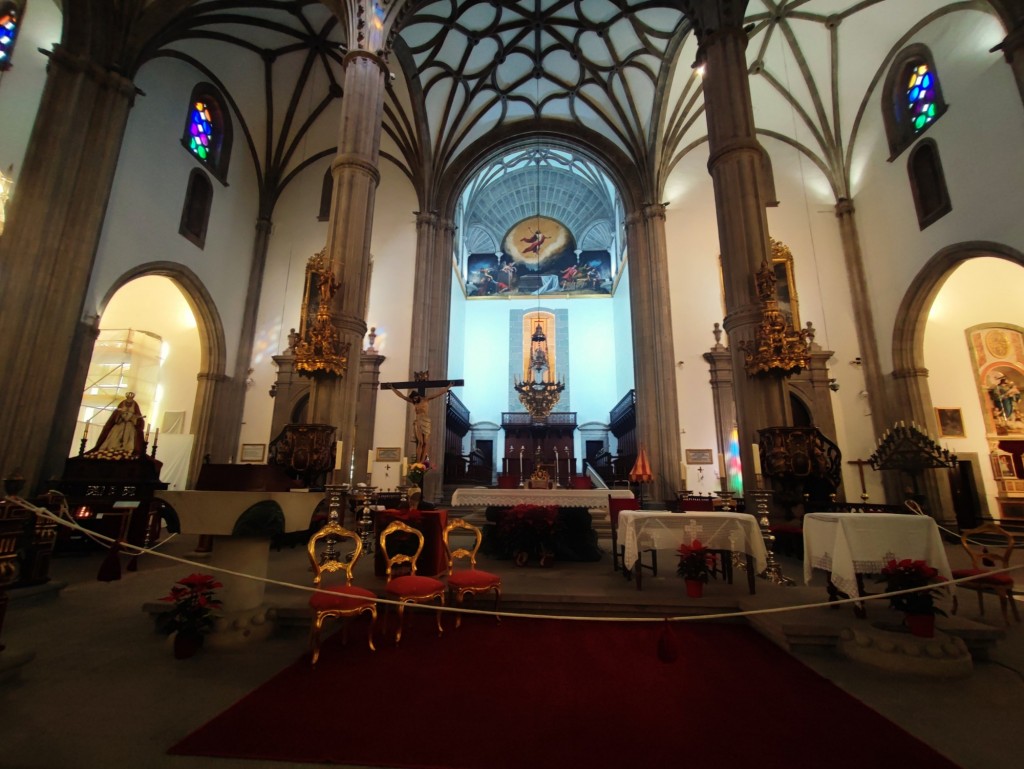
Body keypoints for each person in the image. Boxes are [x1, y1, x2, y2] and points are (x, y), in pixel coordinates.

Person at [387, 384, 452, 464]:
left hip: (426, 422)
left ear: (418, 396)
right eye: (413, 399)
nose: (414, 400)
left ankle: (422, 461)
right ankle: (418, 462)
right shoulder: (413, 402)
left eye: (415, 398)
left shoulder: (426, 399)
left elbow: (438, 393)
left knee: (425, 442)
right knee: (420, 442)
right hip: (418, 422)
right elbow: (402, 396)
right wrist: (392, 388)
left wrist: (448, 386)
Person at [90, 392, 146, 457]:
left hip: (129, 425)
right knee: (114, 437)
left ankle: (127, 451)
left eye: (130, 400)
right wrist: (120, 415)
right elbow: (116, 413)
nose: (129, 402)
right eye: (128, 400)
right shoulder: (122, 403)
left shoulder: (135, 404)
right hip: (120, 423)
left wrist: (132, 417)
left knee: (129, 438)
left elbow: (137, 415)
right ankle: (111, 449)